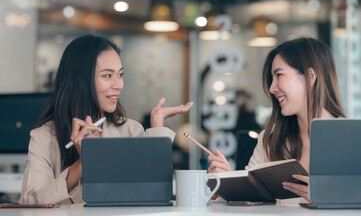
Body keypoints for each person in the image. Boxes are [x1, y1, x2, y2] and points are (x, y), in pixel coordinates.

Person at [20, 35, 193, 204]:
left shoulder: (131, 130)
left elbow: (155, 194)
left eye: (120, 74)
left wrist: (157, 130)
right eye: (108, 76)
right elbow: (30, 202)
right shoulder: (43, 137)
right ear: (80, 80)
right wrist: (83, 163)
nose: (118, 85)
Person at [208, 37, 345, 201]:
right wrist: (226, 182)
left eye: (279, 75)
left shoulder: (351, 140)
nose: (272, 88)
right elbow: (246, 200)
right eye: (272, 79)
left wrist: (329, 198)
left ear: (310, 76)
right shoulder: (270, 140)